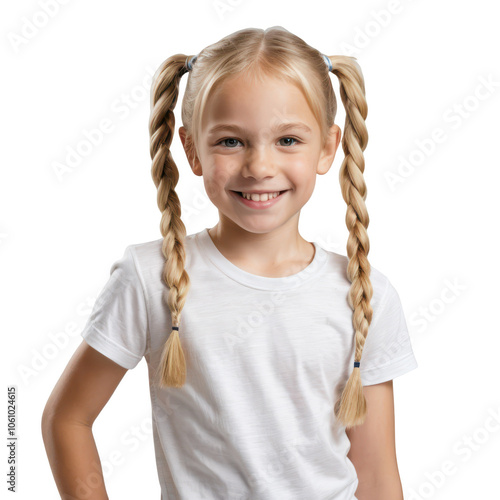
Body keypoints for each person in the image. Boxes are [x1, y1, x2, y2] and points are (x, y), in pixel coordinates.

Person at [41, 26, 418, 500]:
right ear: (192, 149)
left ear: (327, 147)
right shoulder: (149, 279)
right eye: (231, 142)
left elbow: (378, 477)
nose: (259, 167)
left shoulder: (365, 296)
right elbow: (67, 419)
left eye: (287, 140)